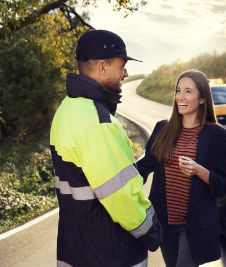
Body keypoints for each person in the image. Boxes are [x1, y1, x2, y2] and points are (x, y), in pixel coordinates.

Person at [50, 29, 162, 267]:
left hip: (75, 248)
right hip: (109, 252)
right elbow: (119, 195)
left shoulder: (65, 110)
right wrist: (151, 230)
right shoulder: (97, 121)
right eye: (122, 66)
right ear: (102, 67)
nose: (126, 73)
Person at [137, 70, 226, 267]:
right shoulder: (162, 129)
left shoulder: (216, 135)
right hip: (164, 221)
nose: (181, 96)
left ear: (202, 99)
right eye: (178, 91)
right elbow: (145, 167)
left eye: (188, 91)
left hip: (195, 225)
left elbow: (225, 184)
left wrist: (199, 170)